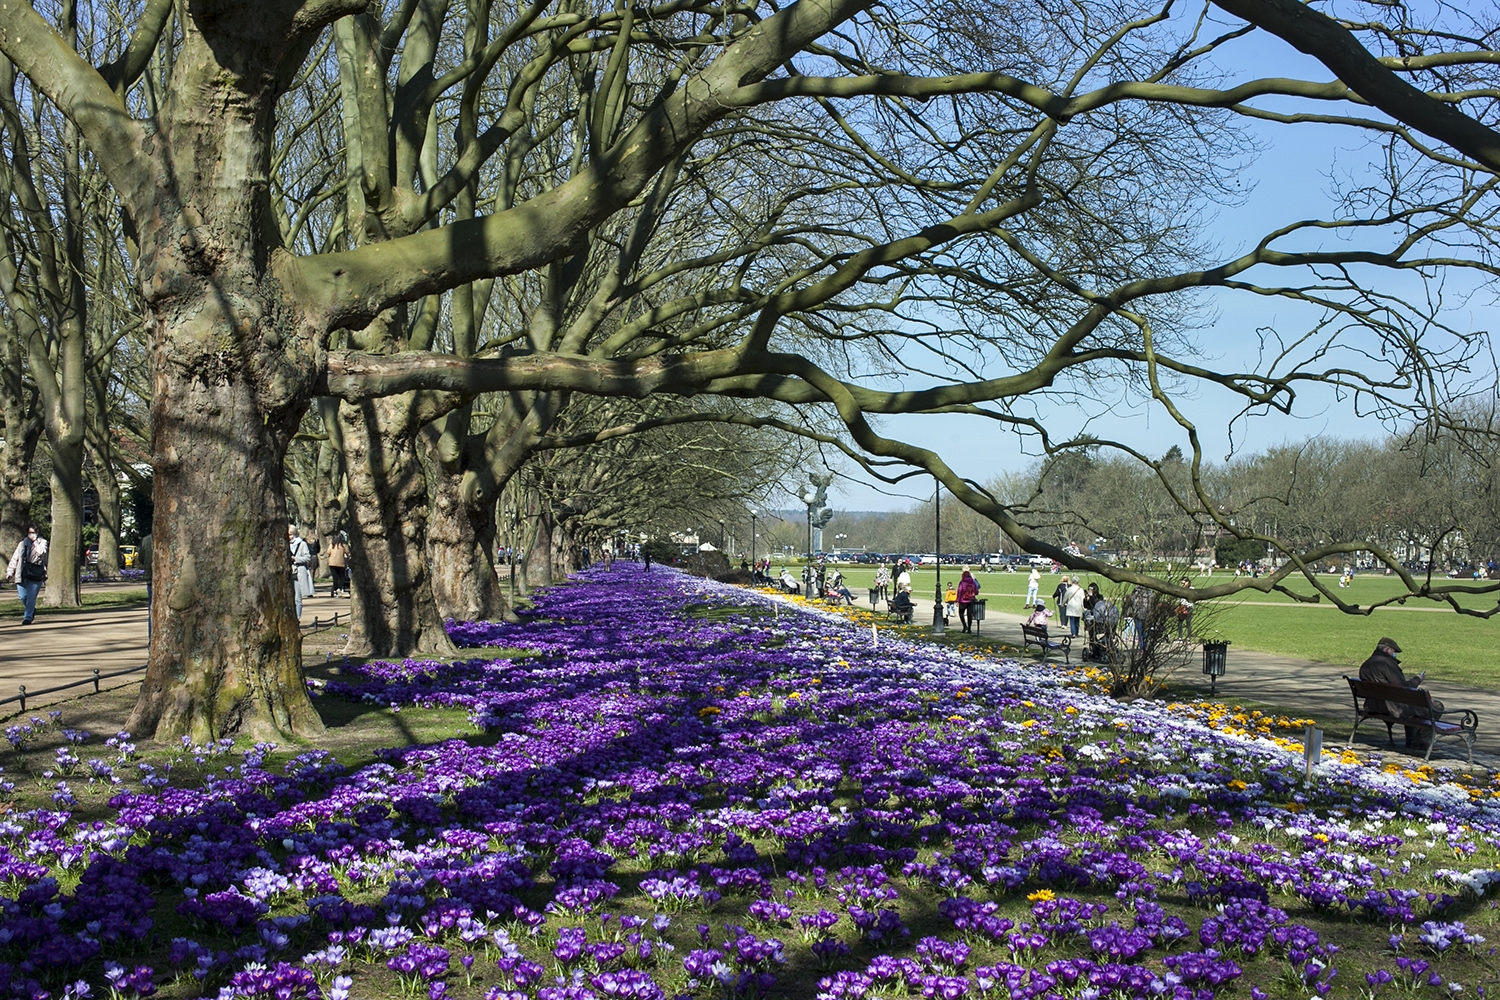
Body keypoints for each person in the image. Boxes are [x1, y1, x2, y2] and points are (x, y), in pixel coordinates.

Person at [1359, 637, 1443, 748]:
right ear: (1387, 650)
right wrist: (1418, 679)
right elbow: (1404, 688)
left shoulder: (1366, 664)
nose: (1394, 654)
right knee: (1436, 706)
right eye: (1394, 651)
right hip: (1391, 708)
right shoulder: (1387, 664)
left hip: (1372, 706)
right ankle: (1419, 740)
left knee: (1412, 707)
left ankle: (1413, 740)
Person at [6, 525, 47, 625]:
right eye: (30, 533)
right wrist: (10, 571)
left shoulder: (43, 542)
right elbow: (15, 558)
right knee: (22, 596)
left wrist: (36, 542)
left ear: (37, 533)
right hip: (22, 573)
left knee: (31, 597)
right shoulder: (22, 543)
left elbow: (41, 553)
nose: (31, 535)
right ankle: (31, 609)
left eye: (33, 533)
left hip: (35, 573)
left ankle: (27, 618)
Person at [289, 524, 314, 620]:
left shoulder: (302, 544)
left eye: (291, 534)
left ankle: (298, 618)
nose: (289, 537)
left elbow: (307, 558)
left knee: (297, 598)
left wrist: (295, 559)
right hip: (288, 573)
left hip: (298, 573)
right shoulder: (284, 543)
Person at [138, 532, 153, 639]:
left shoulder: (146, 540)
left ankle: (151, 642)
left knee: (152, 612)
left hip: (150, 578)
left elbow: (141, 558)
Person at [956, 568, 980, 633]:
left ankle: (964, 626)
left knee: (961, 614)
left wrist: (957, 601)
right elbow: (977, 592)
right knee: (969, 615)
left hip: (963, 601)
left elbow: (959, 592)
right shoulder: (973, 583)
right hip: (971, 600)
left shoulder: (962, 582)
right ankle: (969, 629)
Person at [326, 531, 349, 597]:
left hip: (332, 563)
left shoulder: (331, 546)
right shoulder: (343, 545)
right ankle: (339, 588)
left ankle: (335, 589)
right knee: (342, 577)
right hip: (341, 564)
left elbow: (328, 553)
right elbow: (348, 553)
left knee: (335, 577)